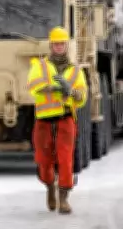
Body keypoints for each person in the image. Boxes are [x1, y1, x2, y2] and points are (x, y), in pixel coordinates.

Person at [26, 27, 88, 214]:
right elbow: (33, 86)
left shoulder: (76, 70)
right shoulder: (41, 66)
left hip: (66, 119)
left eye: (62, 44)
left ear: (66, 45)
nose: (59, 47)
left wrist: (71, 91)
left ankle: (64, 198)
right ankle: (50, 187)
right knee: (44, 160)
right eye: (56, 44)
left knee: (65, 159)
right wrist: (54, 88)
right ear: (51, 45)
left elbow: (82, 97)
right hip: (44, 121)